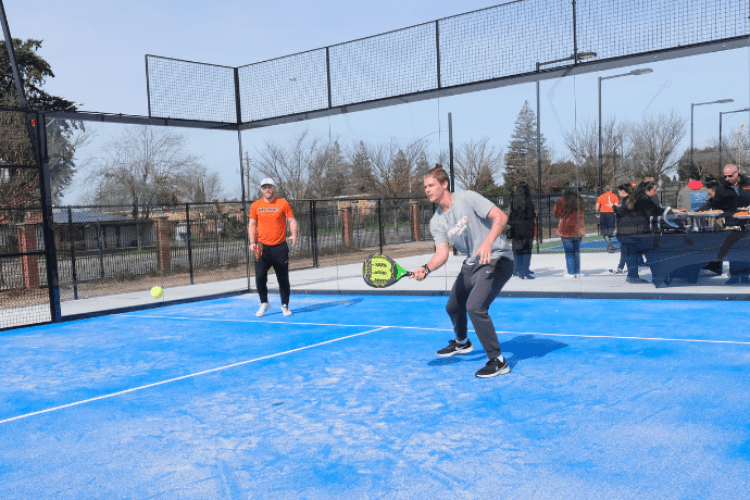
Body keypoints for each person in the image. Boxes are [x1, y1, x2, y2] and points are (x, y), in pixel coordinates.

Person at [412, 165, 514, 378]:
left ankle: (498, 360)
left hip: (497, 258)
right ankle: (462, 343)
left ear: (444, 184)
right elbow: (442, 253)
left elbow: (500, 217)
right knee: (453, 306)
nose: (427, 190)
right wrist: (426, 268)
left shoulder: (467, 198)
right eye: (425, 187)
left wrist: (487, 243)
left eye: (431, 185)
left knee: (475, 307)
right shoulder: (437, 221)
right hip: (472, 263)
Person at [248, 178, 298, 317]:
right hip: (261, 247)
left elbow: (291, 220)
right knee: (259, 277)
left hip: (280, 247)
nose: (267, 190)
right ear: (261, 190)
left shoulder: (282, 203)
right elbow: (252, 224)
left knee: (282, 278)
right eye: (264, 187)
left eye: (269, 187)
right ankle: (264, 303)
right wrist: (252, 242)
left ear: (273, 188)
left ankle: (285, 305)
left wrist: (294, 234)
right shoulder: (256, 205)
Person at [617, 181, 661, 284]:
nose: (656, 191)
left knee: (632, 253)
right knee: (642, 252)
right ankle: (635, 276)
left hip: (627, 231)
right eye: (654, 190)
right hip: (633, 231)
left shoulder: (635, 198)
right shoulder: (643, 200)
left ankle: (632, 276)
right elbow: (655, 211)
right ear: (647, 190)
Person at [553, 187, 586, 278]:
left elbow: (556, 214)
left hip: (565, 229)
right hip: (578, 229)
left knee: (569, 252)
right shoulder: (580, 201)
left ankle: (571, 272)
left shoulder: (562, 201)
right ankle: (577, 271)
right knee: (576, 251)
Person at [507, 182, 536, 279]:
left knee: (517, 251)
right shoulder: (529, 202)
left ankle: (517, 270)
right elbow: (531, 216)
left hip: (516, 230)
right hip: (527, 230)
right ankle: (524, 270)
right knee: (527, 251)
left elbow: (510, 217)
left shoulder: (513, 202)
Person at [610, 183, 633, 274]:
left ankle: (631, 269)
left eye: (619, 191)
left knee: (626, 249)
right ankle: (621, 267)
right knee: (624, 249)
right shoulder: (627, 200)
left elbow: (622, 212)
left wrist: (614, 207)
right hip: (626, 228)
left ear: (623, 191)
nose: (618, 193)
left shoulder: (628, 200)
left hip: (627, 229)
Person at [595, 185, 619, 253]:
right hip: (611, 213)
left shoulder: (601, 196)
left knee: (604, 228)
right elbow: (616, 206)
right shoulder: (614, 196)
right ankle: (610, 242)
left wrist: (597, 212)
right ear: (611, 189)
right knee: (611, 227)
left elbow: (597, 206)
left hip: (603, 213)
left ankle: (607, 240)